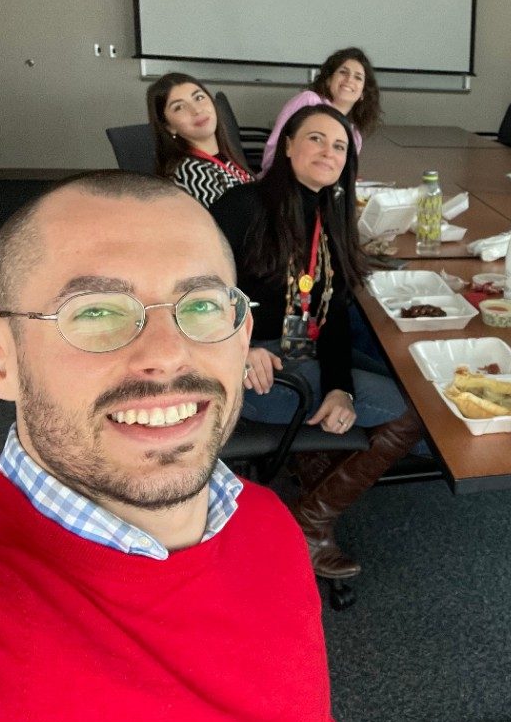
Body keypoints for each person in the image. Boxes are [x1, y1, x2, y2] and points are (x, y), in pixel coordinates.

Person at [0, 172, 342, 722]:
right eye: (95, 311)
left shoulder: (267, 523)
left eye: (202, 305)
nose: (167, 355)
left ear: (242, 334)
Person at [212, 104, 421, 580]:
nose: (328, 152)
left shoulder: (331, 217)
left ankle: (308, 471)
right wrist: (237, 344)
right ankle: (310, 525)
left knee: (400, 379)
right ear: (286, 145)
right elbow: (188, 290)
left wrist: (340, 388)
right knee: (410, 412)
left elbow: (334, 321)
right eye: (316, 139)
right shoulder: (242, 207)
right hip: (249, 373)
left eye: (340, 146)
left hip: (301, 354)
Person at [261, 47, 381, 173]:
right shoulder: (309, 101)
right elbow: (272, 155)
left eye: (358, 77)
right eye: (343, 72)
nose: (349, 80)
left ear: (363, 93)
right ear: (329, 80)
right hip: (282, 184)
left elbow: (343, 176)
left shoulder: (354, 134)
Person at [146, 72, 253, 207]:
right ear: (168, 127)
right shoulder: (190, 172)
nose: (196, 110)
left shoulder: (226, 157)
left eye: (199, 97)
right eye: (179, 107)